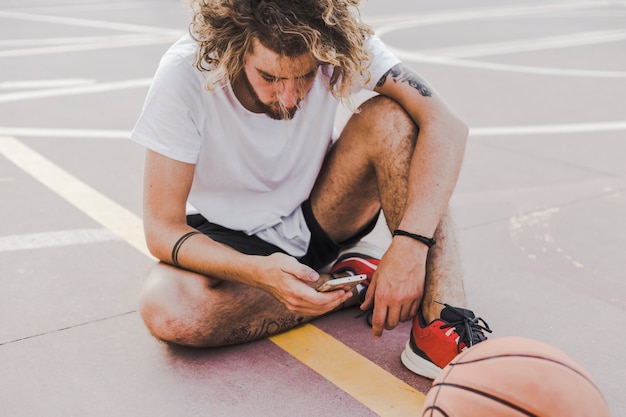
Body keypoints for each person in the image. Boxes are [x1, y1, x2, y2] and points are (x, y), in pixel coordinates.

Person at [131, 0, 491, 379]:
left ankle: (443, 318)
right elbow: (162, 229)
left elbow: (447, 124)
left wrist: (409, 246)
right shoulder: (185, 72)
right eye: (269, 77)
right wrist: (257, 272)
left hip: (322, 210)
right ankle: (352, 282)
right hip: (228, 235)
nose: (289, 98)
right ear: (233, 47)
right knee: (168, 311)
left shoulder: (333, 41)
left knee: (393, 119)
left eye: (304, 76)